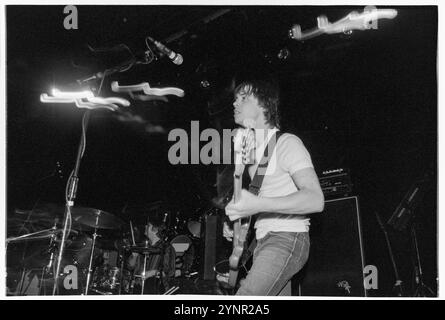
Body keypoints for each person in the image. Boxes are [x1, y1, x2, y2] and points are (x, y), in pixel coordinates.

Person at [224, 78, 325, 296]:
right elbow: (259, 199)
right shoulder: (250, 153)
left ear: (263, 104)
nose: (235, 103)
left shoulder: (287, 143)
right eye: (235, 99)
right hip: (261, 241)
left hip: (287, 238)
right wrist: (238, 224)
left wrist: (257, 204)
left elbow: (316, 200)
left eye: (243, 98)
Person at [127, 218, 176, 294]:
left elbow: (170, 272)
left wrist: (153, 272)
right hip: (137, 288)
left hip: (156, 289)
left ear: (155, 229)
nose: (145, 226)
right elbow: (130, 266)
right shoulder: (142, 246)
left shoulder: (166, 248)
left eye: (148, 225)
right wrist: (134, 256)